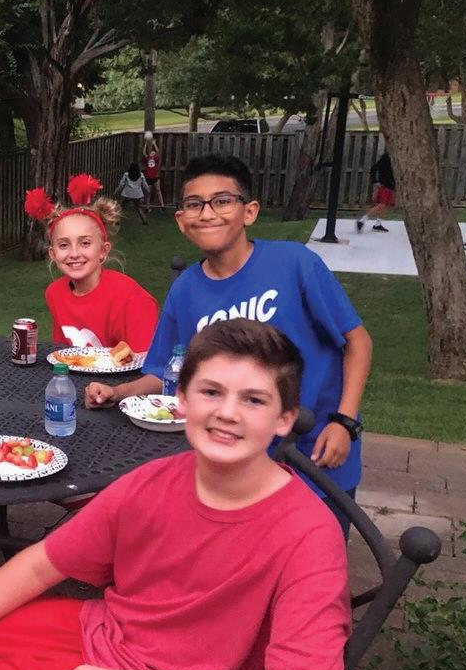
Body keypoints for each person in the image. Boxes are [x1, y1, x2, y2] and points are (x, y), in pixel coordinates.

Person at [0, 318, 351, 670]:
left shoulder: (307, 534)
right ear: (182, 400)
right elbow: (41, 564)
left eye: (253, 399)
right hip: (108, 636)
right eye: (211, 392)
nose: (228, 412)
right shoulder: (155, 481)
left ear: (284, 418)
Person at [86, 154, 373, 535]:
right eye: (194, 204)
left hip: (315, 456)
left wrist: (344, 423)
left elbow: (357, 342)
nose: (207, 213)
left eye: (222, 201)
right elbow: (164, 371)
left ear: (249, 211)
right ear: (181, 220)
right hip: (238, 465)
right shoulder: (185, 291)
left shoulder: (294, 264)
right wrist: (119, 391)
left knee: (315, 560)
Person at [24, 174, 158, 353]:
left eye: (85, 243)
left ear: (103, 250)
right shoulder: (55, 293)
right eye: (63, 245)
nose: (74, 254)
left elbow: (148, 364)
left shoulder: (131, 299)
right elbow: (63, 354)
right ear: (52, 254)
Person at [356, 151, 395, 233]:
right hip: (385, 185)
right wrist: (375, 181)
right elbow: (373, 169)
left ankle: (378, 224)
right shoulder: (386, 157)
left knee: (385, 206)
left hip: (390, 186)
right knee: (381, 205)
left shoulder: (394, 157)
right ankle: (362, 220)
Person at [142, 133, 165, 209]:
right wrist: (146, 144)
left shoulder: (156, 159)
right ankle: (147, 207)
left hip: (155, 177)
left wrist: (154, 144)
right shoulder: (147, 158)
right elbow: (144, 152)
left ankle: (162, 205)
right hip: (149, 177)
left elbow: (158, 151)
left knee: (158, 191)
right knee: (148, 193)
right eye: (151, 152)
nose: (153, 152)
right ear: (150, 154)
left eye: (153, 152)